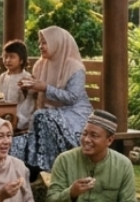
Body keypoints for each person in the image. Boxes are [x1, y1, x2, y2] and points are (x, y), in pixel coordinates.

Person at [10, 26, 94, 178]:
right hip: (49, 113)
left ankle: (45, 169)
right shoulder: (40, 65)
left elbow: (72, 98)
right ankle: (35, 170)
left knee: (41, 117)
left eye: (44, 43)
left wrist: (45, 88)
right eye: (39, 43)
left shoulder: (74, 67)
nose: (40, 46)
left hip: (75, 114)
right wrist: (27, 87)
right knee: (16, 140)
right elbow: (36, 94)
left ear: (57, 43)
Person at [45, 110, 137, 202]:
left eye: (94, 135)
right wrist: (71, 193)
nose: (86, 140)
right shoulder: (64, 160)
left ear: (109, 140)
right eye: (84, 133)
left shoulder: (123, 165)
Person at [0, 40, 35, 132]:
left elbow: (29, 102)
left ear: (21, 60)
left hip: (20, 118)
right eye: (5, 56)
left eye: (12, 57)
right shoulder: (3, 77)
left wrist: (20, 119)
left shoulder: (26, 77)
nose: (7, 60)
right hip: (2, 115)